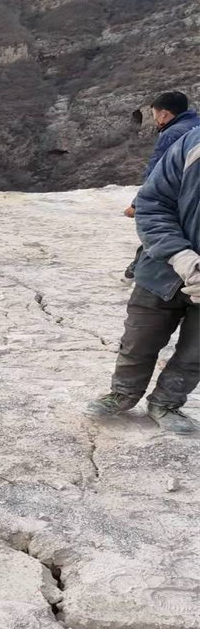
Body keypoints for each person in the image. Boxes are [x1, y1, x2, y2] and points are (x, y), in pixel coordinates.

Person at [86, 126, 200, 434]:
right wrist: (180, 255)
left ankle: (166, 403)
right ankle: (123, 393)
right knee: (139, 340)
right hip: (162, 270)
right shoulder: (191, 145)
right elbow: (152, 204)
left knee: (196, 352)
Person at [121, 92, 200, 283]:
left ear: (164, 114)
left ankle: (136, 272)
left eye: (155, 115)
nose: (155, 120)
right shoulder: (196, 125)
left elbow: (156, 173)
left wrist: (136, 204)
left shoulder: (173, 133)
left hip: (174, 196)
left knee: (159, 229)